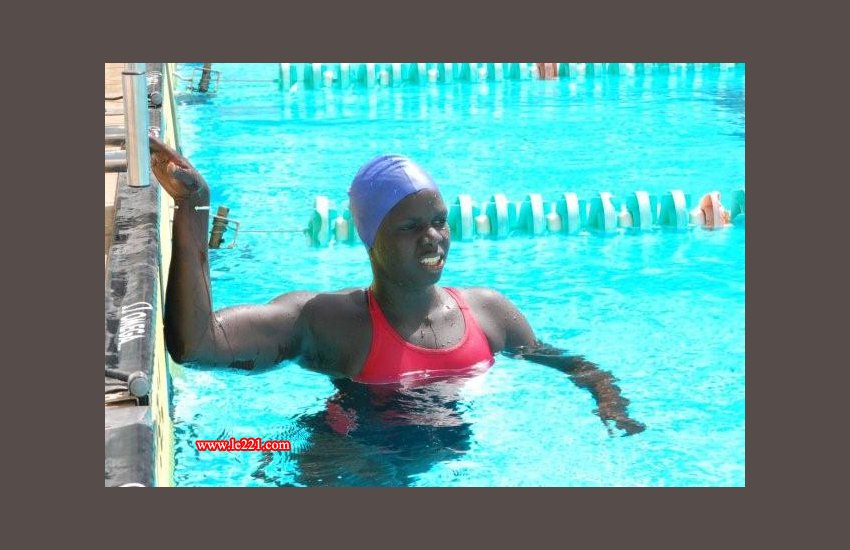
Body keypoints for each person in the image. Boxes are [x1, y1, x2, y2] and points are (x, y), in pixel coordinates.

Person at [149, 136, 645, 436]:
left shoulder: (490, 313)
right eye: (410, 226)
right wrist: (194, 207)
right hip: (350, 458)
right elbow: (199, 345)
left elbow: (571, 365)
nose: (433, 237)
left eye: (440, 221)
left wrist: (610, 403)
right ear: (372, 240)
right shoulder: (329, 321)